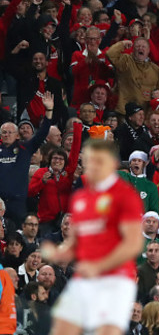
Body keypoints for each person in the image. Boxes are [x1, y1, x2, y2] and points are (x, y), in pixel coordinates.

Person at [45, 140, 144, 335]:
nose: (93, 165)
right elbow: (75, 242)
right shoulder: (80, 198)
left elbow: (133, 244)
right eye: (89, 160)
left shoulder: (124, 196)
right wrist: (58, 253)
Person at [0, 92, 55, 224]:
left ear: (17, 135)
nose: (7, 135)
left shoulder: (25, 148)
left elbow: (42, 134)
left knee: (19, 236)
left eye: (10, 132)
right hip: (0, 201)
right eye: (4, 132)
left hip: (18, 203)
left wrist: (49, 110)